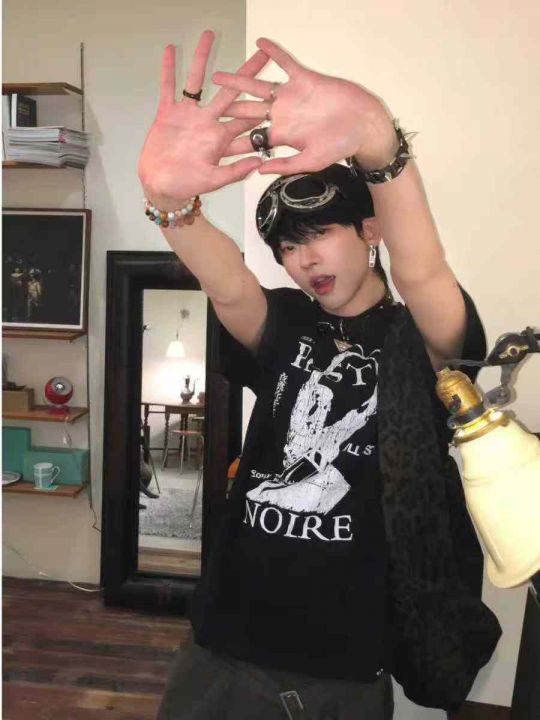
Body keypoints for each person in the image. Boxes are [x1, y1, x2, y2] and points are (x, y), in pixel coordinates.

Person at [138, 31, 501, 720]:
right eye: (288, 246)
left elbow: (423, 270)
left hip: (347, 658)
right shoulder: (285, 322)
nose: (303, 259)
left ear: (368, 232)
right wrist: (169, 203)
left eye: (320, 233)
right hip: (226, 643)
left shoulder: (421, 341)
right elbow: (227, 284)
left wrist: (378, 144)